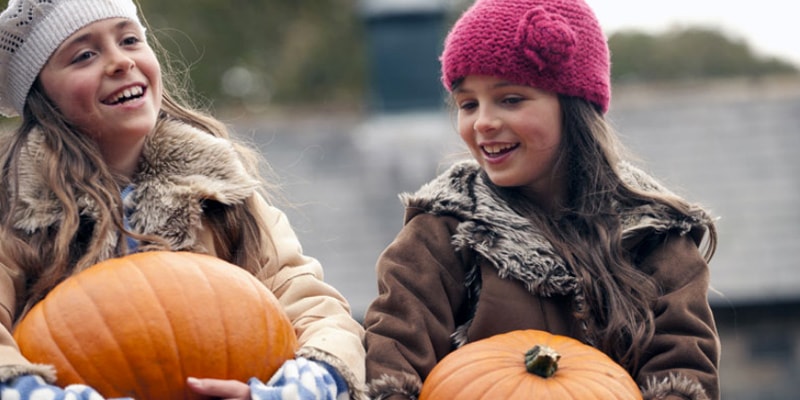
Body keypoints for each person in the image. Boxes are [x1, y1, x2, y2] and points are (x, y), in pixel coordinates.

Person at [0, 1, 366, 399]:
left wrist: (290, 392)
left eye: (129, 40)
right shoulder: (16, 213)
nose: (120, 62)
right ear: (41, 97)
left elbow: (317, 311)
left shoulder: (226, 197)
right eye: (84, 55)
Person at [362, 0, 721, 399]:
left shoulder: (653, 236)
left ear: (573, 107)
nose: (482, 121)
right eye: (468, 104)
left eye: (510, 99)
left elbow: (683, 363)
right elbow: (394, 349)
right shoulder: (441, 233)